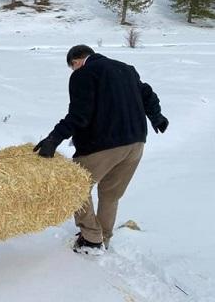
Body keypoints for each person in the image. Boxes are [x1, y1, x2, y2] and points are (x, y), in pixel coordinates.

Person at [34, 45, 168, 255]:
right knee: (110, 195)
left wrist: (54, 138)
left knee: (74, 186)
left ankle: (91, 239)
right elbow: (148, 94)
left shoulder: (84, 74)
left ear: (77, 60)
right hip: (136, 144)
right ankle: (103, 237)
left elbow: (80, 114)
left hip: (102, 145)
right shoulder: (127, 69)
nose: (74, 70)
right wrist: (157, 117)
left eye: (73, 66)